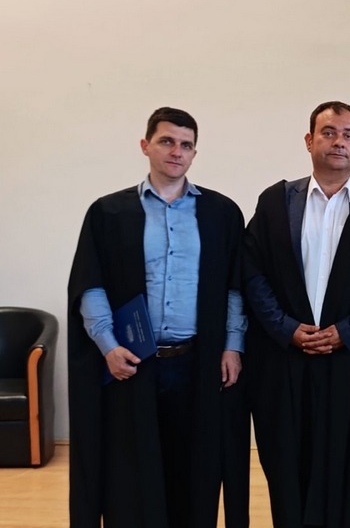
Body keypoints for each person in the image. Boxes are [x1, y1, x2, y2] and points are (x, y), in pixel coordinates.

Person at [67, 107, 249, 527]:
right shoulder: (109, 213)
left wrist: (232, 346)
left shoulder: (221, 213)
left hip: (197, 364)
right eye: (167, 141)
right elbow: (91, 285)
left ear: (194, 153)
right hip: (133, 365)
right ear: (145, 145)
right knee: (131, 476)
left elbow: (235, 288)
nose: (176, 151)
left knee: (194, 472)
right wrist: (109, 347)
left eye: (186, 145)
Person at [243, 101, 350, 527]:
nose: (339, 142)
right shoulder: (276, 202)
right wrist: (285, 328)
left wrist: (348, 331)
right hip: (285, 360)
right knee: (287, 465)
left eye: (348, 135)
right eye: (329, 132)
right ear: (309, 140)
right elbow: (251, 273)